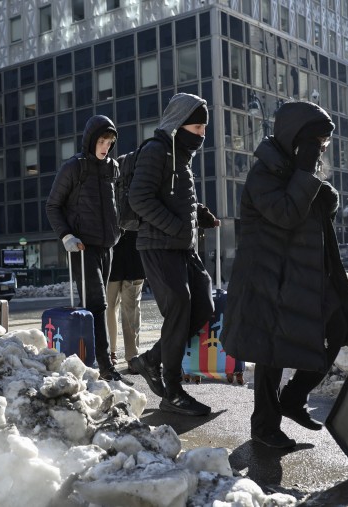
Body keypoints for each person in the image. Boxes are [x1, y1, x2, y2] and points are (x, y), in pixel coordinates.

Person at [221, 101, 348, 449]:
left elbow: (308, 216)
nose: (322, 150)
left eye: (326, 143)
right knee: (270, 354)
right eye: (317, 142)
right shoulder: (265, 173)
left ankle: (294, 398)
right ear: (297, 139)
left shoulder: (295, 168)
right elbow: (286, 214)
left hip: (299, 276)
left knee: (338, 327)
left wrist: (321, 195)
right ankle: (264, 427)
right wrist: (306, 175)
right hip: (266, 277)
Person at [127, 93, 219, 416]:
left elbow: (178, 198)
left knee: (204, 303)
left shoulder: (181, 156)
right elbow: (140, 198)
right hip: (157, 245)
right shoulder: (157, 151)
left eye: (204, 128)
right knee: (179, 305)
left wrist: (199, 216)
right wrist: (177, 226)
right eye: (196, 127)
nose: (201, 135)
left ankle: (151, 360)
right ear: (179, 125)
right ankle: (172, 390)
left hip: (182, 246)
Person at [45, 114, 132, 385]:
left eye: (110, 142)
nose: (105, 146)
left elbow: (117, 202)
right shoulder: (74, 168)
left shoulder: (113, 168)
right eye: (102, 141)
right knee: (97, 303)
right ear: (91, 140)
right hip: (82, 247)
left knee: (101, 305)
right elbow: (53, 205)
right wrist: (66, 235)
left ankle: (91, 360)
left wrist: (120, 228)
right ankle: (105, 365)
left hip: (108, 245)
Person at [106, 230, 145, 369]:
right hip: (112, 254)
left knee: (131, 310)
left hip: (133, 253)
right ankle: (111, 351)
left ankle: (132, 355)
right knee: (109, 308)